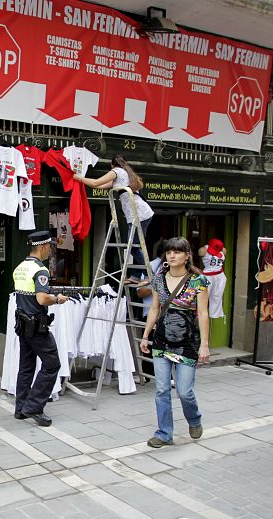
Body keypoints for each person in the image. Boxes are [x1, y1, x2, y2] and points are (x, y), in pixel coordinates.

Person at [140, 237, 210, 448]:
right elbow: (154, 308)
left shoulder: (198, 281)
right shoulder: (158, 279)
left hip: (187, 342)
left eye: (177, 252)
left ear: (187, 256)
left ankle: (194, 419)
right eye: (169, 252)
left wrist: (205, 345)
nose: (172, 255)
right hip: (161, 341)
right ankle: (164, 433)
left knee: (184, 391)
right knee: (161, 389)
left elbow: (204, 314)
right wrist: (145, 336)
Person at [12, 231, 67, 427]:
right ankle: (34, 406)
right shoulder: (40, 269)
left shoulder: (20, 267)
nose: (50, 250)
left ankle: (20, 408)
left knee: (26, 367)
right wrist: (58, 299)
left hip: (23, 325)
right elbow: (42, 298)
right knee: (52, 364)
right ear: (43, 247)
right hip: (37, 325)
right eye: (49, 247)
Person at [74, 155, 154, 282]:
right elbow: (98, 186)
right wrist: (82, 181)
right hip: (137, 214)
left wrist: (79, 178)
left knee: (134, 246)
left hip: (139, 214)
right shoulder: (125, 174)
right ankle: (136, 276)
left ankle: (150, 275)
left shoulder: (116, 171)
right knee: (134, 245)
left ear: (112, 165)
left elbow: (96, 182)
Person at [198, 238, 227, 319]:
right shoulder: (203, 250)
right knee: (203, 298)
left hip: (219, 275)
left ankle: (215, 315)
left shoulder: (223, 250)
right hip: (207, 276)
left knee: (217, 296)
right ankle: (201, 315)